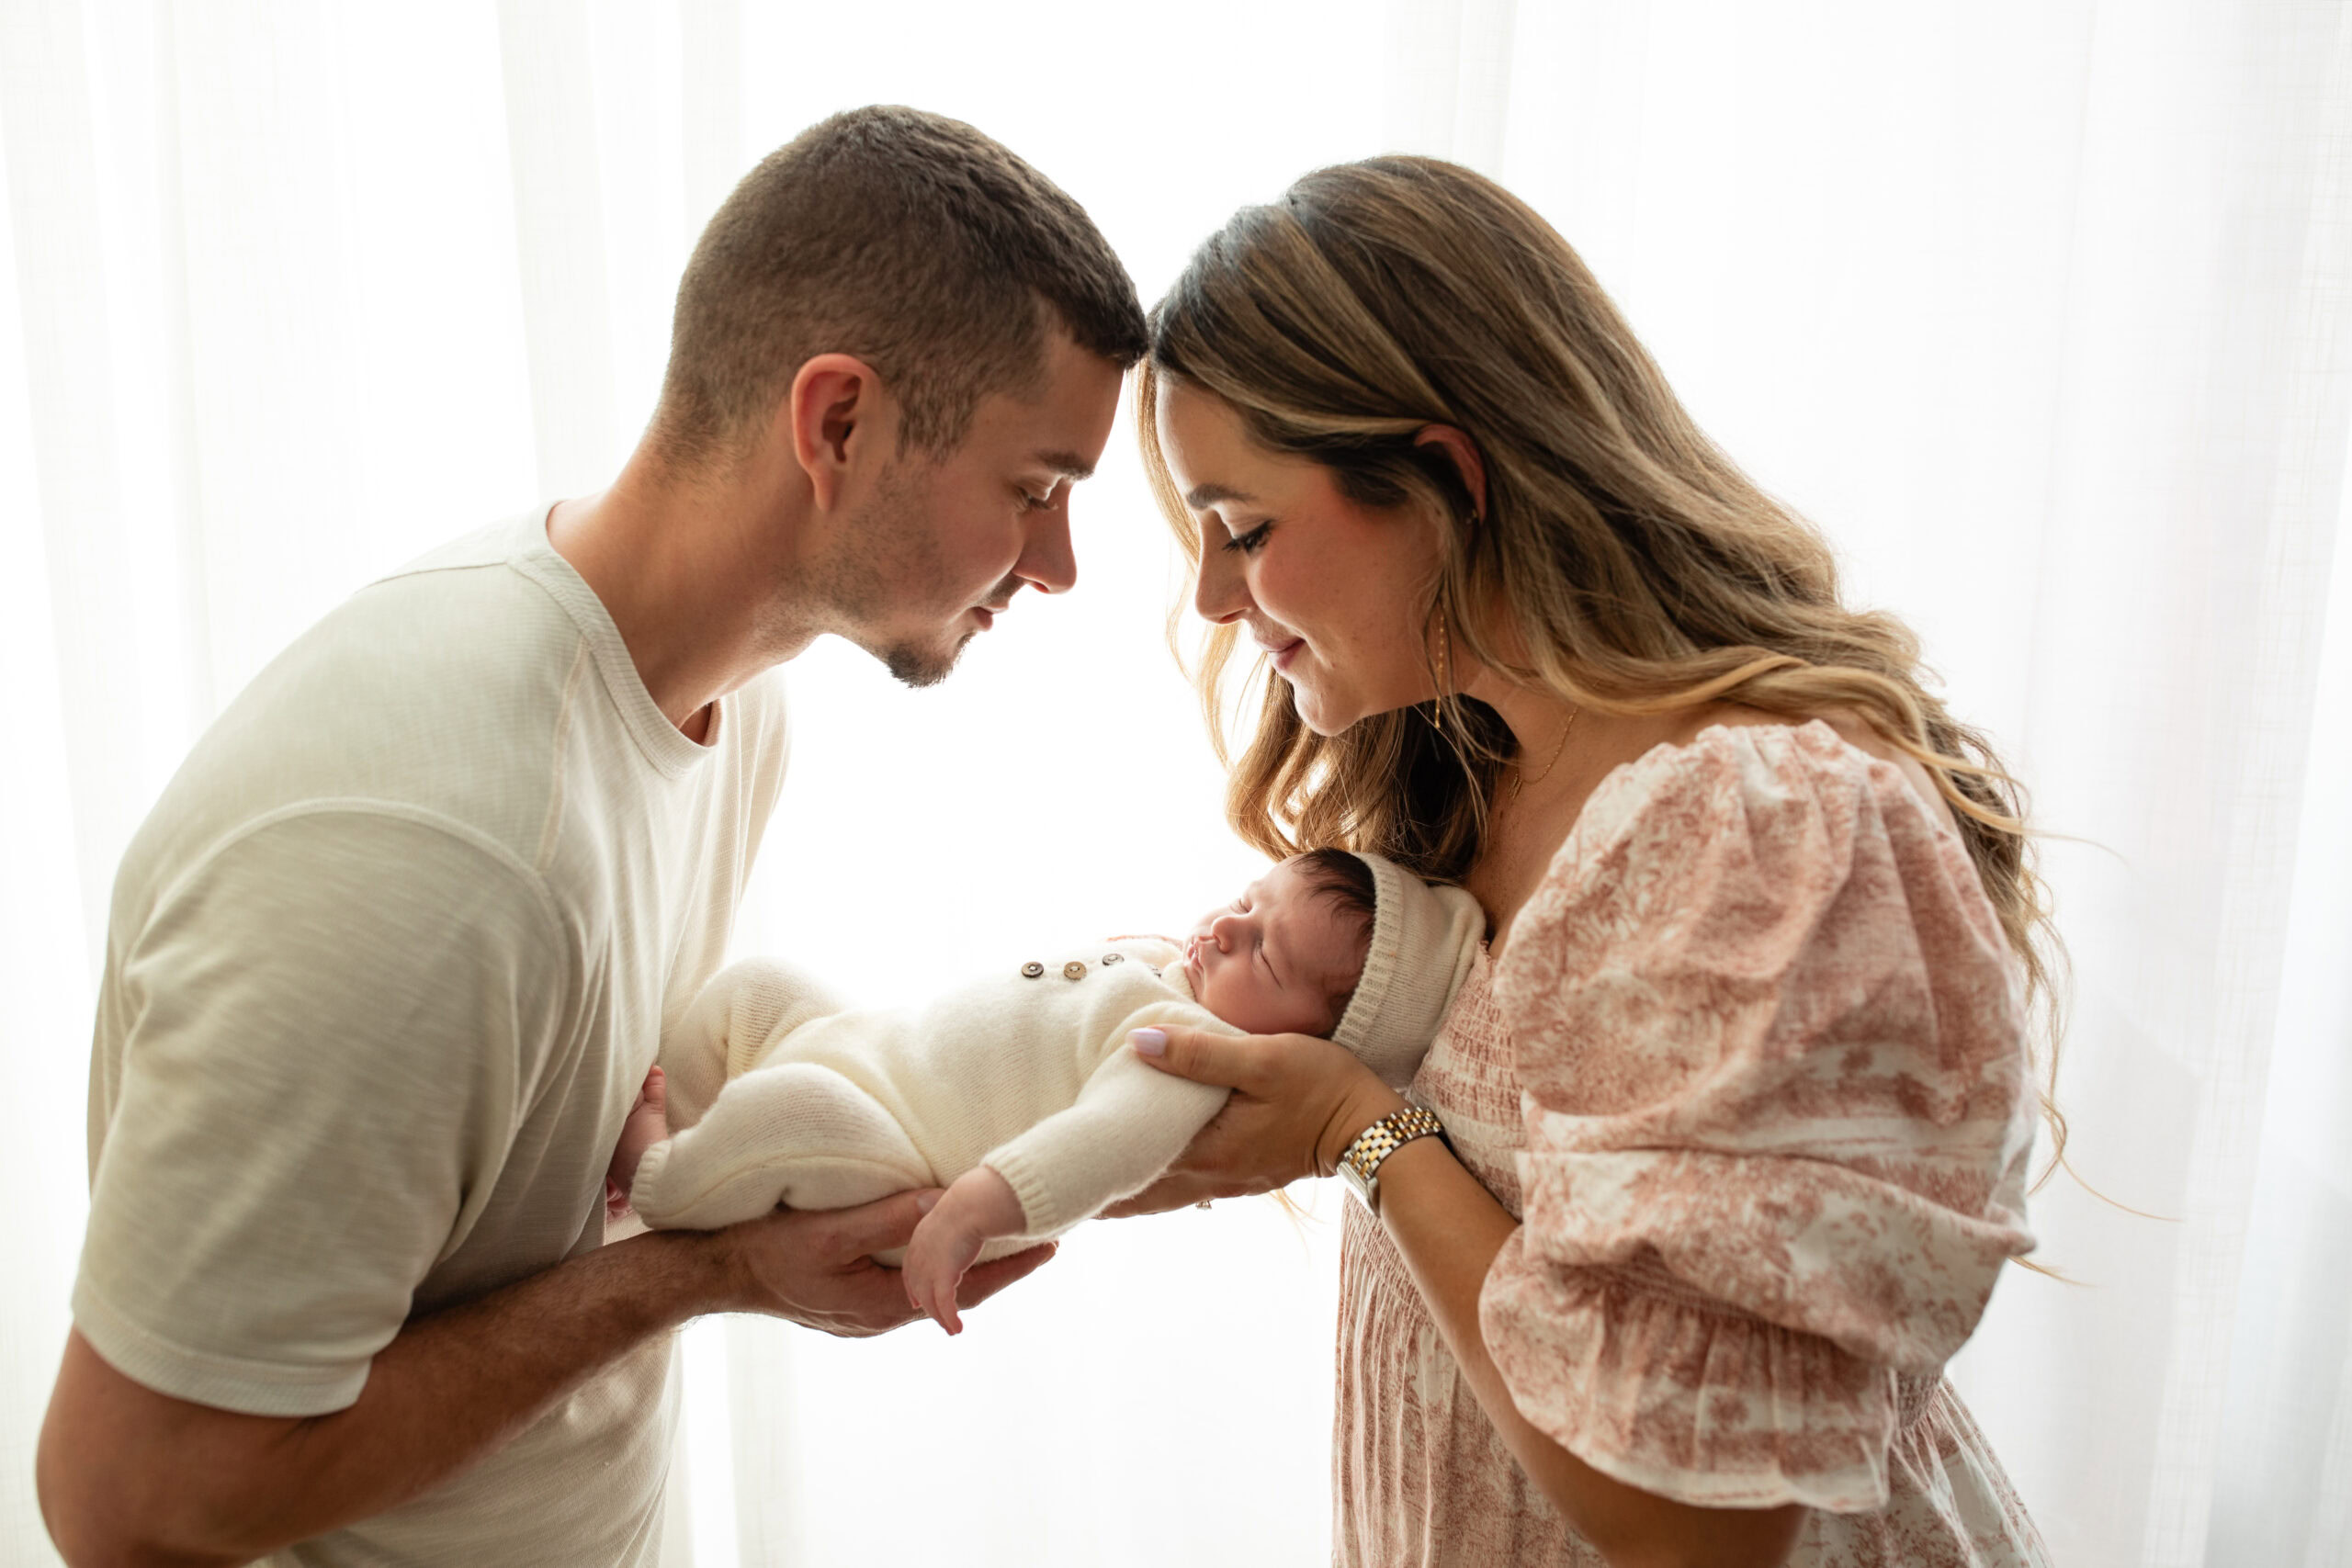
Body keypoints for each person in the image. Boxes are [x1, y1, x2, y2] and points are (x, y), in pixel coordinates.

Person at [36, 106, 1146, 1567]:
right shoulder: (435, 846)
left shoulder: (733, 704)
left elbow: (547, 1172)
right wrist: (703, 1272)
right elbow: (131, 1497)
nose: (1060, 565)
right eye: (1038, 488)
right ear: (838, 424)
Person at [1116, 157, 2054, 1565]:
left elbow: (1696, 1527)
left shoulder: (1755, 826)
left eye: (1245, 528)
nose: (1209, 593)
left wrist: (1358, 1131)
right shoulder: (1469, 755)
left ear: (1448, 481)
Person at [605, 851, 1484, 1333]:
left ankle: (660, 1176)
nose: (1225, 927)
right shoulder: (1173, 974)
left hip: (892, 1156)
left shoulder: (1190, 1059)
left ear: (1299, 1051)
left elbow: (1100, 1147)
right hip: (867, 1056)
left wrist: (974, 1209)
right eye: (1247, 901)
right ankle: (685, 1115)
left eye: (1265, 954)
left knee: (791, 1114)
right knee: (760, 990)